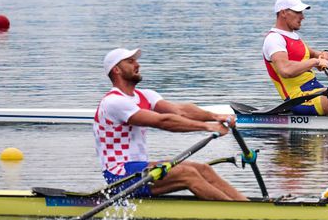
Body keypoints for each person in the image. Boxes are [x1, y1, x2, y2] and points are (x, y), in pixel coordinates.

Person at [95, 47, 247, 201]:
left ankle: (245, 205)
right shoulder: (114, 102)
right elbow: (163, 121)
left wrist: (216, 117)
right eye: (130, 61)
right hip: (119, 175)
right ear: (116, 70)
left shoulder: (146, 95)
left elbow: (180, 111)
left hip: (138, 168)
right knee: (188, 174)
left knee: (203, 169)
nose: (137, 65)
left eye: (136, 60)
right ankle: (238, 214)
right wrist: (208, 127)